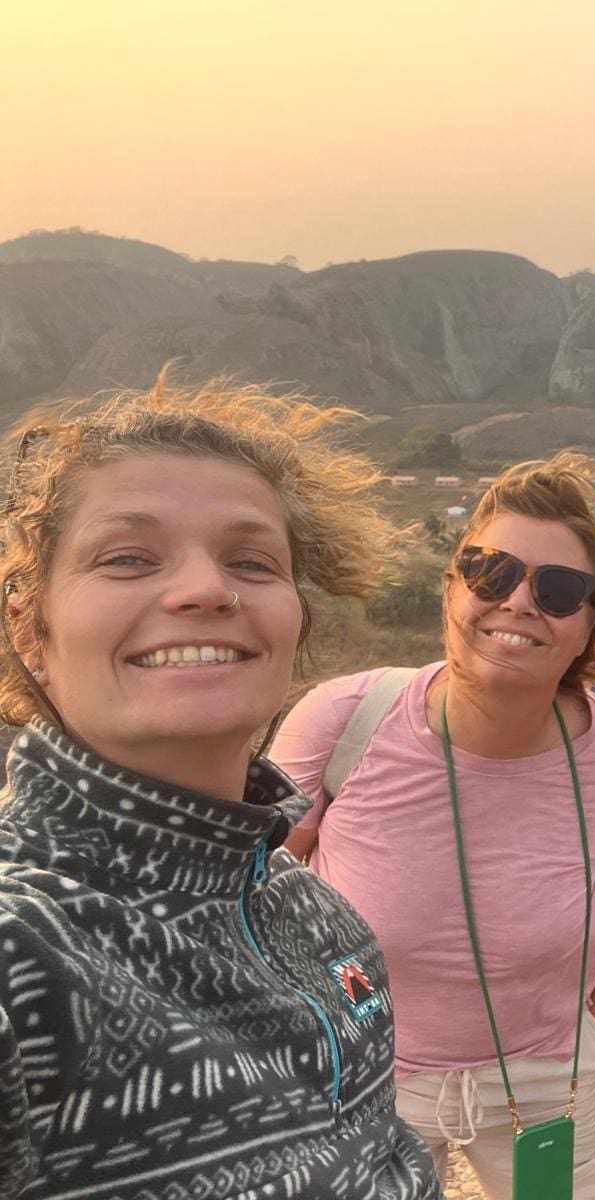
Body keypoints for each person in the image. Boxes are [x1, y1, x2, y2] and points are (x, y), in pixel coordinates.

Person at [0, 380, 439, 1198]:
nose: (207, 588)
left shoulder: (317, 915)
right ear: (30, 629)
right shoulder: (27, 948)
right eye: (128, 558)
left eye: (251, 562)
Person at [271, 452, 595, 1200]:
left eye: (558, 589)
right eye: (490, 572)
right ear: (452, 588)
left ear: (589, 626)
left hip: (546, 1083)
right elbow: (253, 891)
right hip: (360, 1075)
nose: (518, 601)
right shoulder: (343, 722)